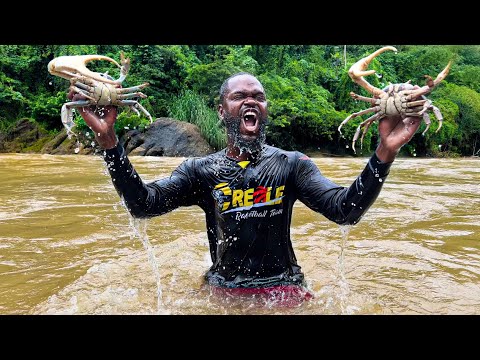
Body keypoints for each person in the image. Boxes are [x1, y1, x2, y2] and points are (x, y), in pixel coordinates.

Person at [70, 72, 421, 306]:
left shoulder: (291, 165)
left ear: (265, 111)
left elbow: (346, 209)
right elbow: (143, 205)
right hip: (225, 291)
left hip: (284, 289)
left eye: (259, 97)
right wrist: (108, 140)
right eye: (240, 97)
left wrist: (385, 151)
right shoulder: (200, 171)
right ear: (222, 111)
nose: (251, 101)